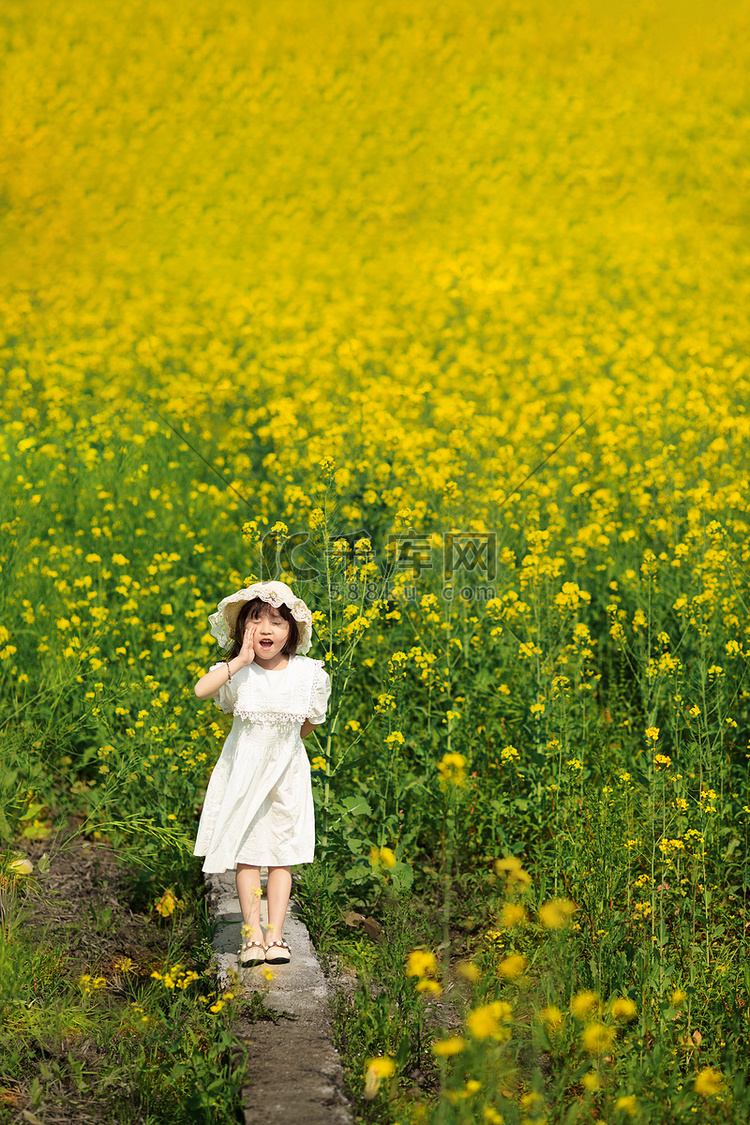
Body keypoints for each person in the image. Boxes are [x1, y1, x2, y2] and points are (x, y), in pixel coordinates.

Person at [193, 580, 330, 967]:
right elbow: (203, 690)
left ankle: (276, 936)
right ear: (243, 630)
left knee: (281, 855)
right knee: (249, 855)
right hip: (244, 773)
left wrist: (281, 748)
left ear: (293, 632)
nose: (266, 629)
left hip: (287, 776)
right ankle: (251, 937)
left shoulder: (309, 675)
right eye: (256, 620)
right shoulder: (238, 673)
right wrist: (240, 660)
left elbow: (307, 724)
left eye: (277, 621)